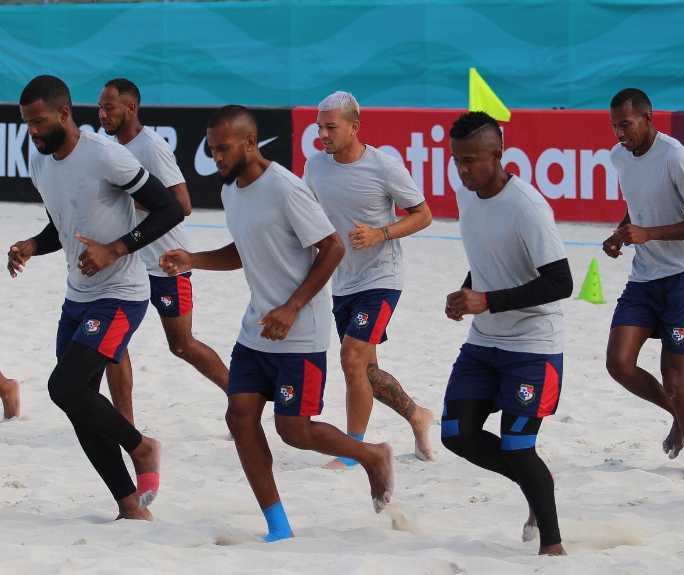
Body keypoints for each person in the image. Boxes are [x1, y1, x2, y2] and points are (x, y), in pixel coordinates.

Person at [160, 105, 394, 541]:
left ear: (249, 143)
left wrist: (291, 308)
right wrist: (194, 260)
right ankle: (278, 527)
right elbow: (245, 249)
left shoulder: (286, 188)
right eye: (211, 151)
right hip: (256, 330)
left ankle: (371, 455)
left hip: (300, 332)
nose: (217, 159)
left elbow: (333, 248)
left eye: (224, 149)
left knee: (294, 431)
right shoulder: (232, 191)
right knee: (239, 416)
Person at [8, 75, 183, 519]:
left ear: (65, 114)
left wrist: (116, 249)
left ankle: (143, 448)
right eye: (26, 123)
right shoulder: (40, 161)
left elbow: (170, 207)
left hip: (121, 294)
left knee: (62, 385)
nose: (33, 131)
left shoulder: (106, 155)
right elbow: (60, 227)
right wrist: (32, 244)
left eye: (40, 121)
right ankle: (130, 506)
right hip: (77, 296)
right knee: (76, 401)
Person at [441, 111, 572, 556]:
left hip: (533, 346)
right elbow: (485, 262)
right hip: (484, 341)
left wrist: (488, 300)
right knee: (456, 434)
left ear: (498, 155)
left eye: (472, 160)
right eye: (457, 160)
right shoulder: (467, 197)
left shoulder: (528, 207)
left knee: (518, 447)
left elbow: (561, 283)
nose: (463, 169)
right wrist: (465, 293)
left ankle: (552, 546)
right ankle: (537, 481)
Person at [303, 91, 435, 467]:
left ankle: (353, 451)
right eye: (319, 127)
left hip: (382, 276)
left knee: (350, 357)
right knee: (366, 370)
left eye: (331, 127)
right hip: (342, 280)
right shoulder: (315, 167)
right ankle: (416, 415)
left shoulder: (384, 166)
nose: (322, 135)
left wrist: (381, 233)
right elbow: (306, 216)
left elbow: (423, 215)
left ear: (354, 127)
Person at [98, 78, 229, 424]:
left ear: (131, 108)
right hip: (130, 264)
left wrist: (126, 202)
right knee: (113, 344)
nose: (102, 114)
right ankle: (123, 425)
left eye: (108, 107)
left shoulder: (151, 146)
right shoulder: (108, 148)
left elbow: (182, 205)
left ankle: (239, 398)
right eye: (99, 107)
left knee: (182, 345)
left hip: (167, 262)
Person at [603, 88, 684, 479]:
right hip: (643, 278)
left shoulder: (675, 157)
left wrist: (648, 233)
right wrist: (620, 233)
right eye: (615, 125)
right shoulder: (620, 156)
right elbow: (635, 205)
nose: (620, 133)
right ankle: (677, 414)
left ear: (648, 118)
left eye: (626, 124)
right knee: (618, 364)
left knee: (674, 380)